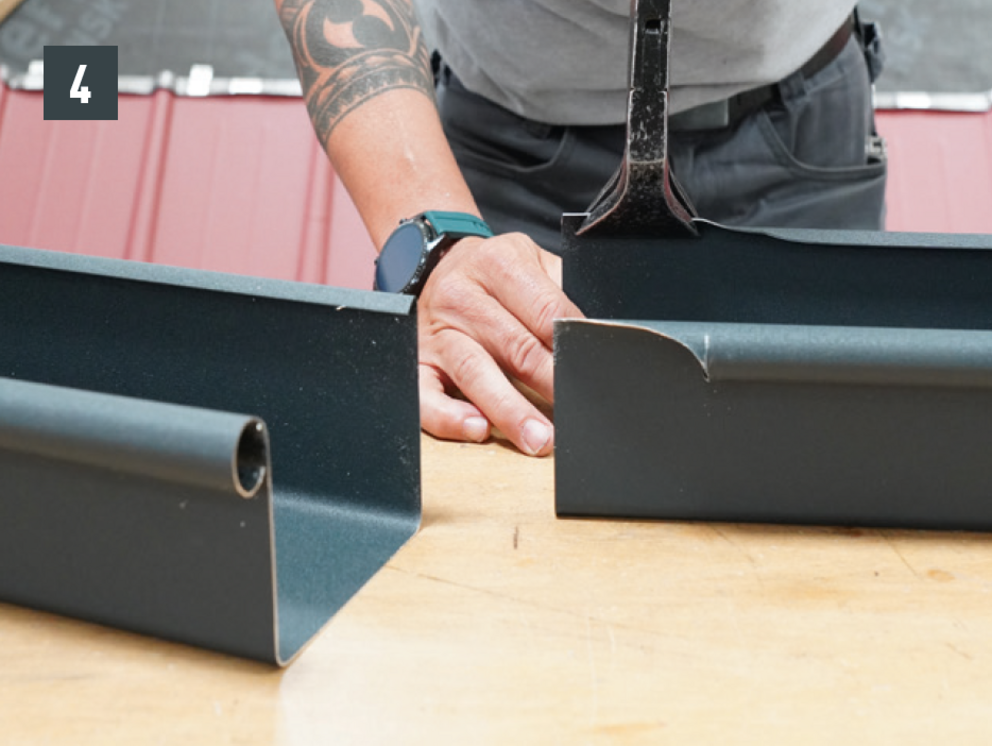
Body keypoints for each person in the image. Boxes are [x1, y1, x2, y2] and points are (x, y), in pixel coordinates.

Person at [274, 0, 886, 457]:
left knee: (835, 465)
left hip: (799, 123)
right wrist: (436, 242)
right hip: (511, 146)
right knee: (504, 488)